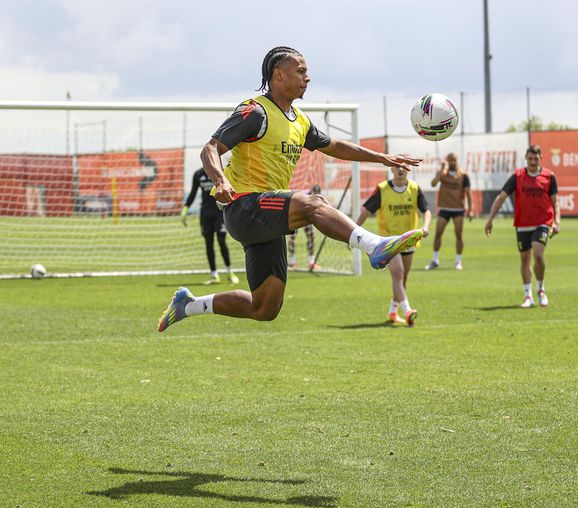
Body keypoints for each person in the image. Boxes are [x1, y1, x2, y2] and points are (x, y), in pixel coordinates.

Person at [158, 46, 423, 332]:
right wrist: (221, 180)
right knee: (313, 203)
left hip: (266, 217)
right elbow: (210, 148)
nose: (307, 78)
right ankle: (373, 245)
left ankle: (189, 305)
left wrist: (382, 157)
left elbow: (335, 146)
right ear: (279, 75)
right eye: (301, 71)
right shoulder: (255, 111)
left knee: (264, 308)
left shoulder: (300, 121)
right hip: (244, 205)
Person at [484, 145, 560, 308]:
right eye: (530, 159)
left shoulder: (549, 176)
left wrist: (557, 221)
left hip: (542, 222)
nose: (532, 162)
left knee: (538, 254)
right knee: (525, 259)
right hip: (523, 224)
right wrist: (490, 219)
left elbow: (555, 202)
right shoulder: (517, 176)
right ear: (526, 158)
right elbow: (501, 197)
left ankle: (541, 289)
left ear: (541, 158)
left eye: (536, 159)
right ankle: (528, 295)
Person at [357, 165, 431, 326]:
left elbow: (426, 210)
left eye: (404, 166)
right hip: (389, 241)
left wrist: (425, 226)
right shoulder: (382, 189)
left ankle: (393, 311)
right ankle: (408, 311)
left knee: (402, 280)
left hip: (409, 240)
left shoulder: (414, 188)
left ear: (409, 170)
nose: (401, 169)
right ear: (391, 169)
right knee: (398, 273)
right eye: (397, 166)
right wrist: (354, 231)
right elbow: (366, 211)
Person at [181, 167, 240, 285]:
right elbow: (193, 193)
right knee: (208, 243)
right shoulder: (198, 174)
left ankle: (230, 272)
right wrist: (185, 209)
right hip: (205, 214)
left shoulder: (221, 172)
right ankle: (214, 275)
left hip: (219, 213)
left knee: (221, 240)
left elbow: (232, 189)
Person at [425, 153, 473, 271]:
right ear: (447, 161)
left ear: (457, 160)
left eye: (454, 160)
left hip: (458, 209)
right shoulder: (442, 173)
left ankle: (458, 261)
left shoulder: (463, 175)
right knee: (438, 234)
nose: (452, 162)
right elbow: (433, 184)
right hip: (444, 208)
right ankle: (435, 260)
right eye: (450, 160)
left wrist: (470, 210)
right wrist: (441, 171)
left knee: (458, 235)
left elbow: (468, 193)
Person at [288, 184, 321, 270]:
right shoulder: (304, 194)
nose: (315, 195)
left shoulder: (318, 198)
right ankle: (292, 262)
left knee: (311, 237)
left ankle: (311, 262)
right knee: (292, 237)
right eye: (314, 193)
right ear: (311, 191)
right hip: (296, 215)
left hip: (306, 217)